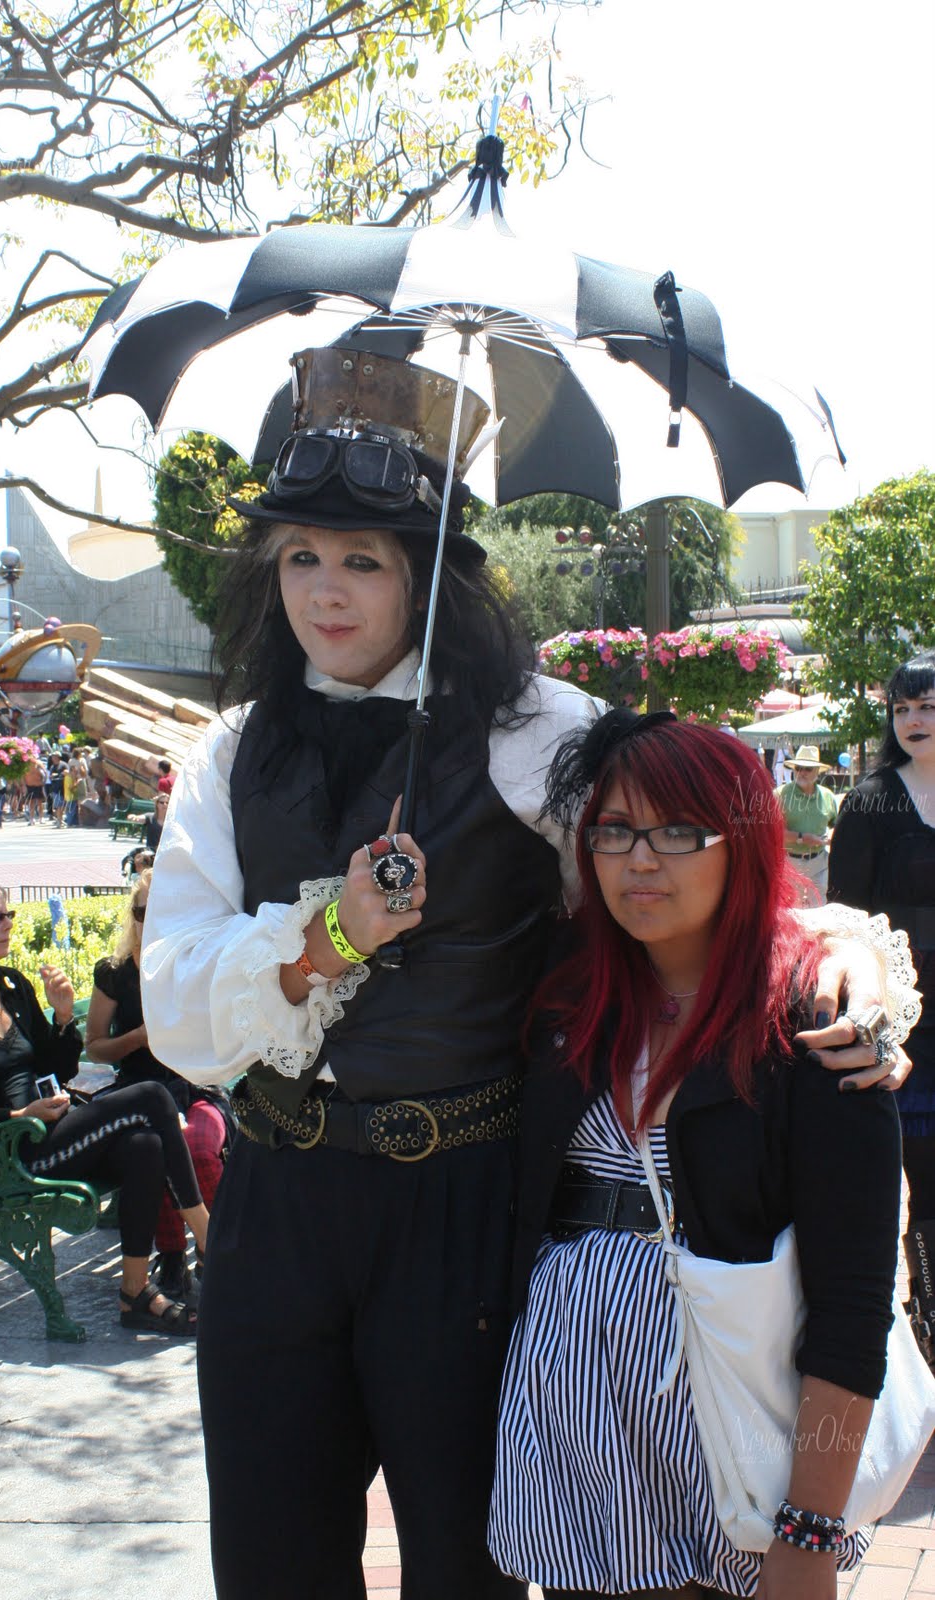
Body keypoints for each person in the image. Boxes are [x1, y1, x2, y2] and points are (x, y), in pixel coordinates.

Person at [139, 346, 904, 1600]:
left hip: (464, 1204)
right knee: (271, 1565)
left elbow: (703, 854)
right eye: (301, 558)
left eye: (364, 559)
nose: (325, 594)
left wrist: (840, 969)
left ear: (425, 571)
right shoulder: (229, 754)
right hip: (278, 1207)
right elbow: (174, 998)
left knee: (464, 1565)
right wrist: (332, 936)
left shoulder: (531, 728)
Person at [491, 710, 905, 1600]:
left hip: (733, 1443)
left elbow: (851, 1308)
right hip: (572, 1443)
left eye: (679, 831)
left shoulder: (814, 1027)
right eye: (614, 831)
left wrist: (812, 1528)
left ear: (741, 842)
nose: (640, 860)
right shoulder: (568, 994)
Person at [0, 875, 211, 1337]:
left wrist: (64, 1016)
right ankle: (208, 1236)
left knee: (145, 1145)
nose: (9, 924)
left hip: (49, 1132)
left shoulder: (12, 986)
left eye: (9, 914)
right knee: (151, 1096)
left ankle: (135, 1292)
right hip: (6, 1155)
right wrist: (17, 1117)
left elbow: (56, 1064)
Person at [829, 650, 935, 1368]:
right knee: (921, 1180)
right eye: (901, 708)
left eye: (926, 705)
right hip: (908, 1015)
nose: (913, 720)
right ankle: (927, 1323)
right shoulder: (868, 802)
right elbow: (845, 920)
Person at [85, 869, 228, 1301]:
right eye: (142, 911)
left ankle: (219, 1246)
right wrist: (138, 1038)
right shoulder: (115, 973)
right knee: (158, 1142)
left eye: (160, 910)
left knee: (199, 1145)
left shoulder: (193, 962)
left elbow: (220, 1036)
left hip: (194, 1087)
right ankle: (172, 1255)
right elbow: (94, 1047)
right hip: (138, 1093)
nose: (150, 920)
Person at [775, 745, 839, 904]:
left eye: (808, 768)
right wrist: (803, 838)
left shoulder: (828, 796)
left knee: (819, 911)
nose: (802, 772)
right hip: (790, 864)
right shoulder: (780, 795)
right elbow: (774, 834)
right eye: (798, 768)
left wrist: (833, 836)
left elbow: (836, 826)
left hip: (820, 864)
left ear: (817, 772)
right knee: (794, 913)